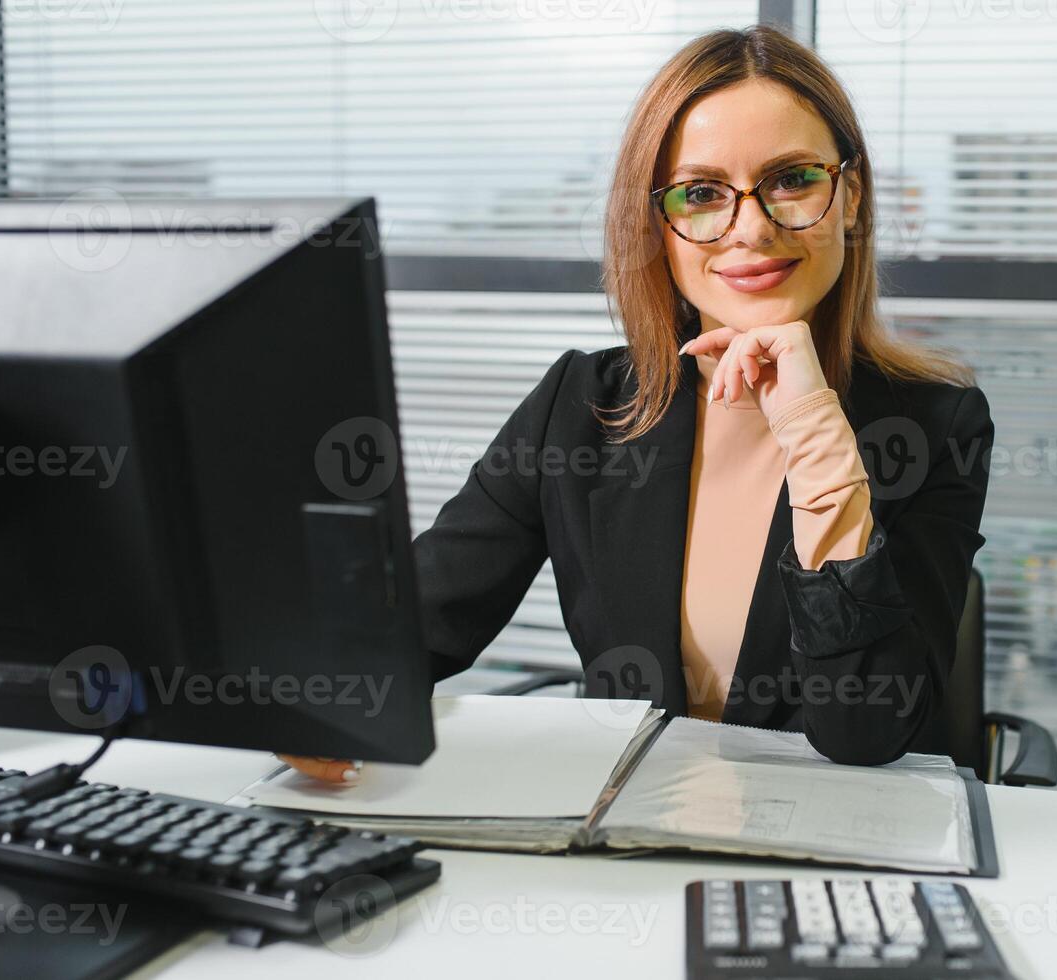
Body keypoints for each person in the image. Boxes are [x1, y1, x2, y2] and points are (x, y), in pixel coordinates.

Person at [282, 24, 993, 782]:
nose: (750, 226)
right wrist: (320, 702)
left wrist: (816, 438)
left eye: (792, 179)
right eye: (701, 193)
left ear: (848, 197)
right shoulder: (580, 405)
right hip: (624, 849)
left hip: (833, 857)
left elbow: (865, 730)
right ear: (659, 225)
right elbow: (419, 625)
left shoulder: (935, 426)